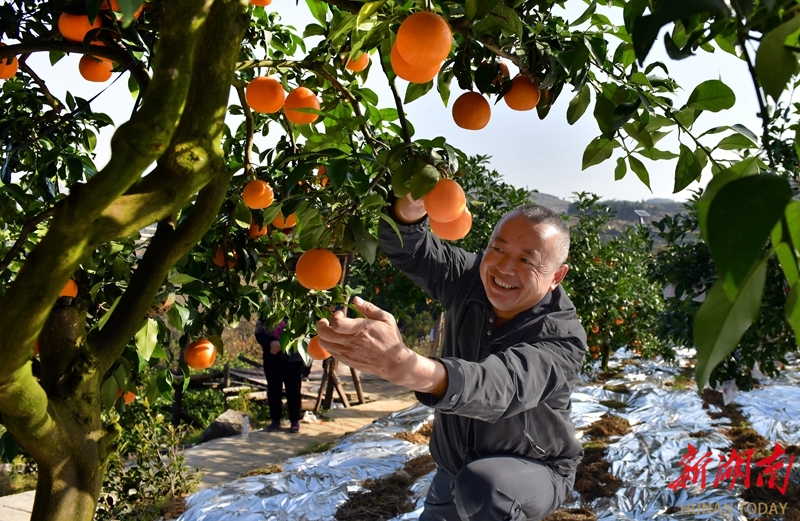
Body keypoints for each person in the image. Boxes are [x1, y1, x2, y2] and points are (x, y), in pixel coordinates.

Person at [316, 196, 586, 520]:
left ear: (557, 275)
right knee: (470, 484)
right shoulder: (469, 279)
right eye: (497, 249)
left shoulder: (562, 336)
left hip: (533, 469)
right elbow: (410, 248)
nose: (504, 267)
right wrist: (410, 208)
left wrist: (406, 366)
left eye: (527, 261)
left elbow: (503, 385)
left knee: (486, 487)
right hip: (455, 469)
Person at [255, 318, 306, 433]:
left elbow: (302, 332)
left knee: (293, 389)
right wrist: (270, 343)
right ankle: (275, 419)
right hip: (271, 356)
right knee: (273, 389)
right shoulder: (266, 311)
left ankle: (294, 420)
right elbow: (259, 333)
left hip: (293, 357)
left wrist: (282, 344)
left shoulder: (296, 309)